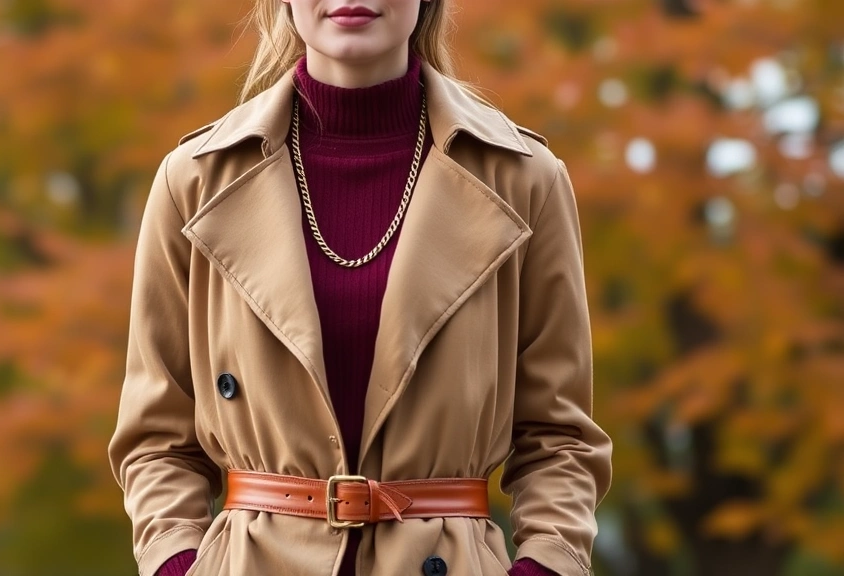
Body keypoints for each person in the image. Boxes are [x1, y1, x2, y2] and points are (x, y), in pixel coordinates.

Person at [107, 0, 613, 575]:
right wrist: (176, 562)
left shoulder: (525, 178)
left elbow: (559, 436)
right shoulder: (193, 179)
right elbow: (155, 438)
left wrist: (545, 565)